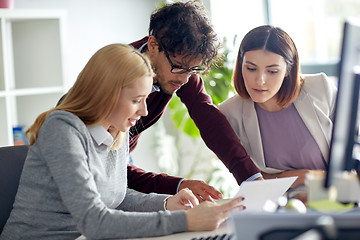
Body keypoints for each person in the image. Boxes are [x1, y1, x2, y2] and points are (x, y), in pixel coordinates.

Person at [0, 44, 244, 240]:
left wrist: (168, 203)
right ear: (106, 93)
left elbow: (117, 197)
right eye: (137, 100)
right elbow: (94, 220)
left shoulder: (118, 130)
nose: (145, 111)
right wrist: (187, 221)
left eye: (146, 99)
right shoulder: (62, 129)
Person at [127, 0, 263, 202]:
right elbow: (111, 171)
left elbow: (208, 117)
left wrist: (251, 178)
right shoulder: (116, 76)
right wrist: (177, 185)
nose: (184, 79)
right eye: (180, 68)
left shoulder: (179, 69)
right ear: (154, 45)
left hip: (121, 162)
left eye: (193, 70)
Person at [219, 25, 337, 187]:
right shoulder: (230, 113)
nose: (260, 80)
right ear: (241, 66)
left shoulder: (320, 89)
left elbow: (352, 148)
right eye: (251, 68)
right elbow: (249, 178)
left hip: (335, 197)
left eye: (272, 71)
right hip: (276, 207)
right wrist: (294, 178)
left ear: (288, 69)